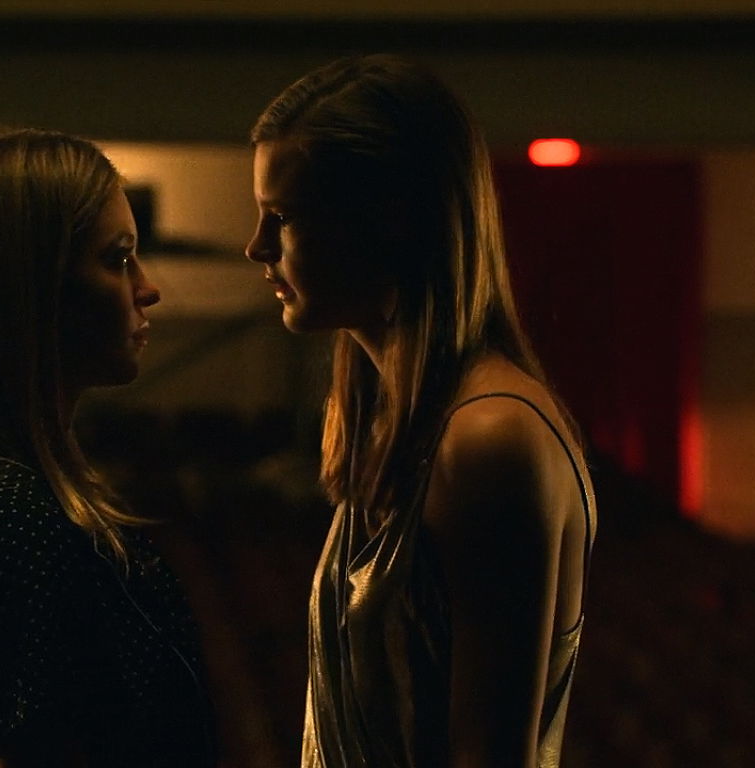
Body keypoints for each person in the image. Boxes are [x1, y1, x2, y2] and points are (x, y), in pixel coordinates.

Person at [244, 55, 596, 767]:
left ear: (391, 219)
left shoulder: (489, 440)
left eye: (285, 218)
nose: (257, 247)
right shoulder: (403, 422)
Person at [0, 124, 214, 768]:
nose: (148, 288)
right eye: (117, 259)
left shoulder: (2, 498)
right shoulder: (2, 516)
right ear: (25, 286)